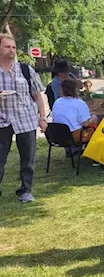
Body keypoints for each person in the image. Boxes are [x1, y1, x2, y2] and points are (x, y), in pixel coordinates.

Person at [0, 33, 48, 202]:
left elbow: (37, 96)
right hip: (2, 121)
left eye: (13, 47)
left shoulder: (26, 70)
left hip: (25, 120)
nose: (11, 50)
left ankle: (25, 190)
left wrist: (42, 118)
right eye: (7, 46)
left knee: (28, 159)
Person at [52, 79, 98, 144]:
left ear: (62, 90)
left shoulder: (57, 102)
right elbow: (85, 123)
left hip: (56, 136)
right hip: (74, 137)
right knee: (94, 124)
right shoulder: (79, 103)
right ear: (75, 89)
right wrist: (93, 119)